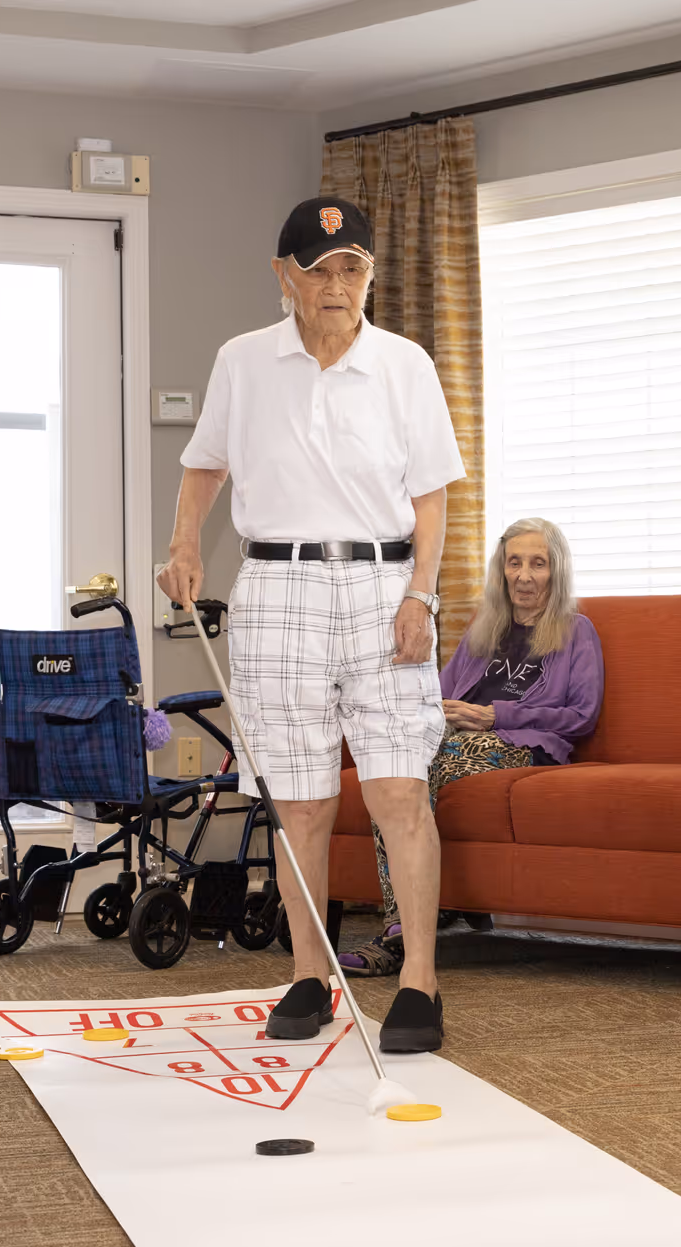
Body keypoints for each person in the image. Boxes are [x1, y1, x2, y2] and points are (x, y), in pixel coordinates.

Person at [157, 196, 462, 1053]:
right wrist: (185, 545)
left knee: (400, 787)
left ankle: (419, 984)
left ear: (371, 275)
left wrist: (423, 598)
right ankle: (307, 976)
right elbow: (204, 464)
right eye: (320, 269)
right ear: (284, 276)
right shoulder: (243, 361)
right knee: (300, 799)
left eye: (353, 268)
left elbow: (431, 497)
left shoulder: (405, 365)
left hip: (384, 584)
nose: (338, 285)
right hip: (278, 585)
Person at [340, 517, 605, 977]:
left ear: (555, 572)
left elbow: (582, 716)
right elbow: (439, 693)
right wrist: (436, 712)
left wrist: (496, 715)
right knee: (395, 771)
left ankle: (400, 930)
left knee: (426, 771)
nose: (524, 575)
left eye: (538, 564)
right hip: (456, 735)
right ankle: (413, 918)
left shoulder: (576, 630)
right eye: (515, 563)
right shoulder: (487, 627)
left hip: (523, 744)